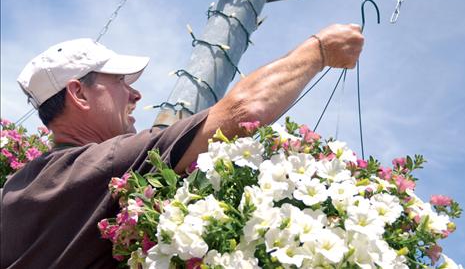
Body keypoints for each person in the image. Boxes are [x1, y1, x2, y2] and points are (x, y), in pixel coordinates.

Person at [0, 23, 364, 268]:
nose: (135, 93)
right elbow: (242, 112)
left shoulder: (14, 191)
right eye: (120, 81)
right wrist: (319, 50)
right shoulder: (103, 165)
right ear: (78, 93)